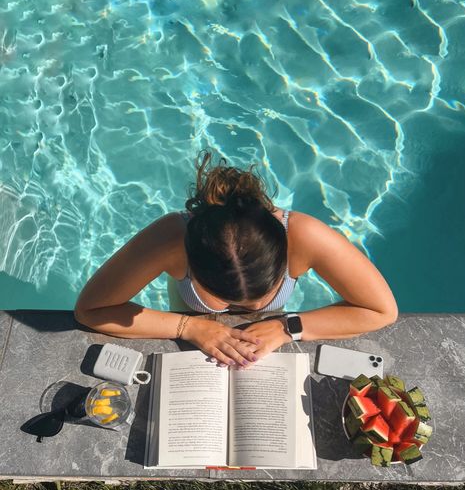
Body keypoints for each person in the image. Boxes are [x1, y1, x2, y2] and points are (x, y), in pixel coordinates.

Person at [74, 150, 398, 369]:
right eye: (225, 298)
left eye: (262, 297)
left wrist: (289, 327)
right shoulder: (172, 240)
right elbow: (91, 309)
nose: (252, 309)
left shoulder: (304, 236)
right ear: (191, 261)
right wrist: (187, 326)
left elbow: (381, 310)